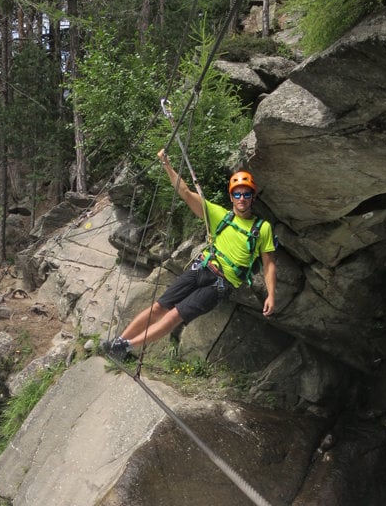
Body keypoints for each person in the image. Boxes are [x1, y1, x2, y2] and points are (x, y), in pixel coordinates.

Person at [101, 148, 276, 361]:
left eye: (246, 194)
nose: (242, 198)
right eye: (237, 193)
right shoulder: (219, 214)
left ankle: (126, 346)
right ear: (231, 196)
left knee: (175, 315)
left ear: (252, 197)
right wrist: (166, 164)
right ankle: (118, 343)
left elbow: (269, 264)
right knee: (159, 307)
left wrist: (271, 294)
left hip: (220, 284)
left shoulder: (262, 228)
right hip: (201, 268)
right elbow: (184, 192)